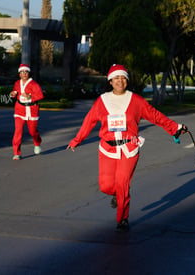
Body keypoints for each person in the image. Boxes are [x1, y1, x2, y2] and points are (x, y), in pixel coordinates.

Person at [67, 64, 188, 232]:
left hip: (129, 148)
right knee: (106, 186)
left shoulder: (136, 101)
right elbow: (89, 121)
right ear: (110, 81)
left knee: (122, 183)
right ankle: (118, 194)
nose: (120, 81)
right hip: (107, 149)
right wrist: (77, 139)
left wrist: (175, 127)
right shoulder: (102, 101)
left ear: (127, 80)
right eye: (116, 78)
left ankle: (122, 219)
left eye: (123, 77)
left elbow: (155, 116)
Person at [10, 64, 44, 160]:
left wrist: (30, 97)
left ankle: (37, 142)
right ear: (19, 74)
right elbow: (15, 91)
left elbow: (40, 96)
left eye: (26, 72)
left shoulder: (34, 84)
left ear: (28, 73)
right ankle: (17, 153)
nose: (24, 74)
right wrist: (13, 94)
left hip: (32, 110)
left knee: (32, 131)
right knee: (18, 131)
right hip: (19, 110)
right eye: (22, 72)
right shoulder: (17, 83)